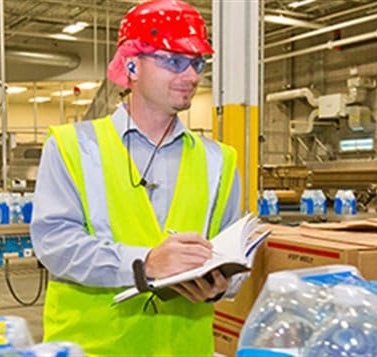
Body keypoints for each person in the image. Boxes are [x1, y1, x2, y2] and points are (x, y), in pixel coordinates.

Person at [30, 0, 241, 355]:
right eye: (173, 60)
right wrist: (143, 264)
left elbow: (233, 254)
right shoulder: (72, 146)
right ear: (131, 64)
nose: (190, 76)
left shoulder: (219, 160)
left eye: (197, 63)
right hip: (94, 349)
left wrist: (221, 284)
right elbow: (55, 243)